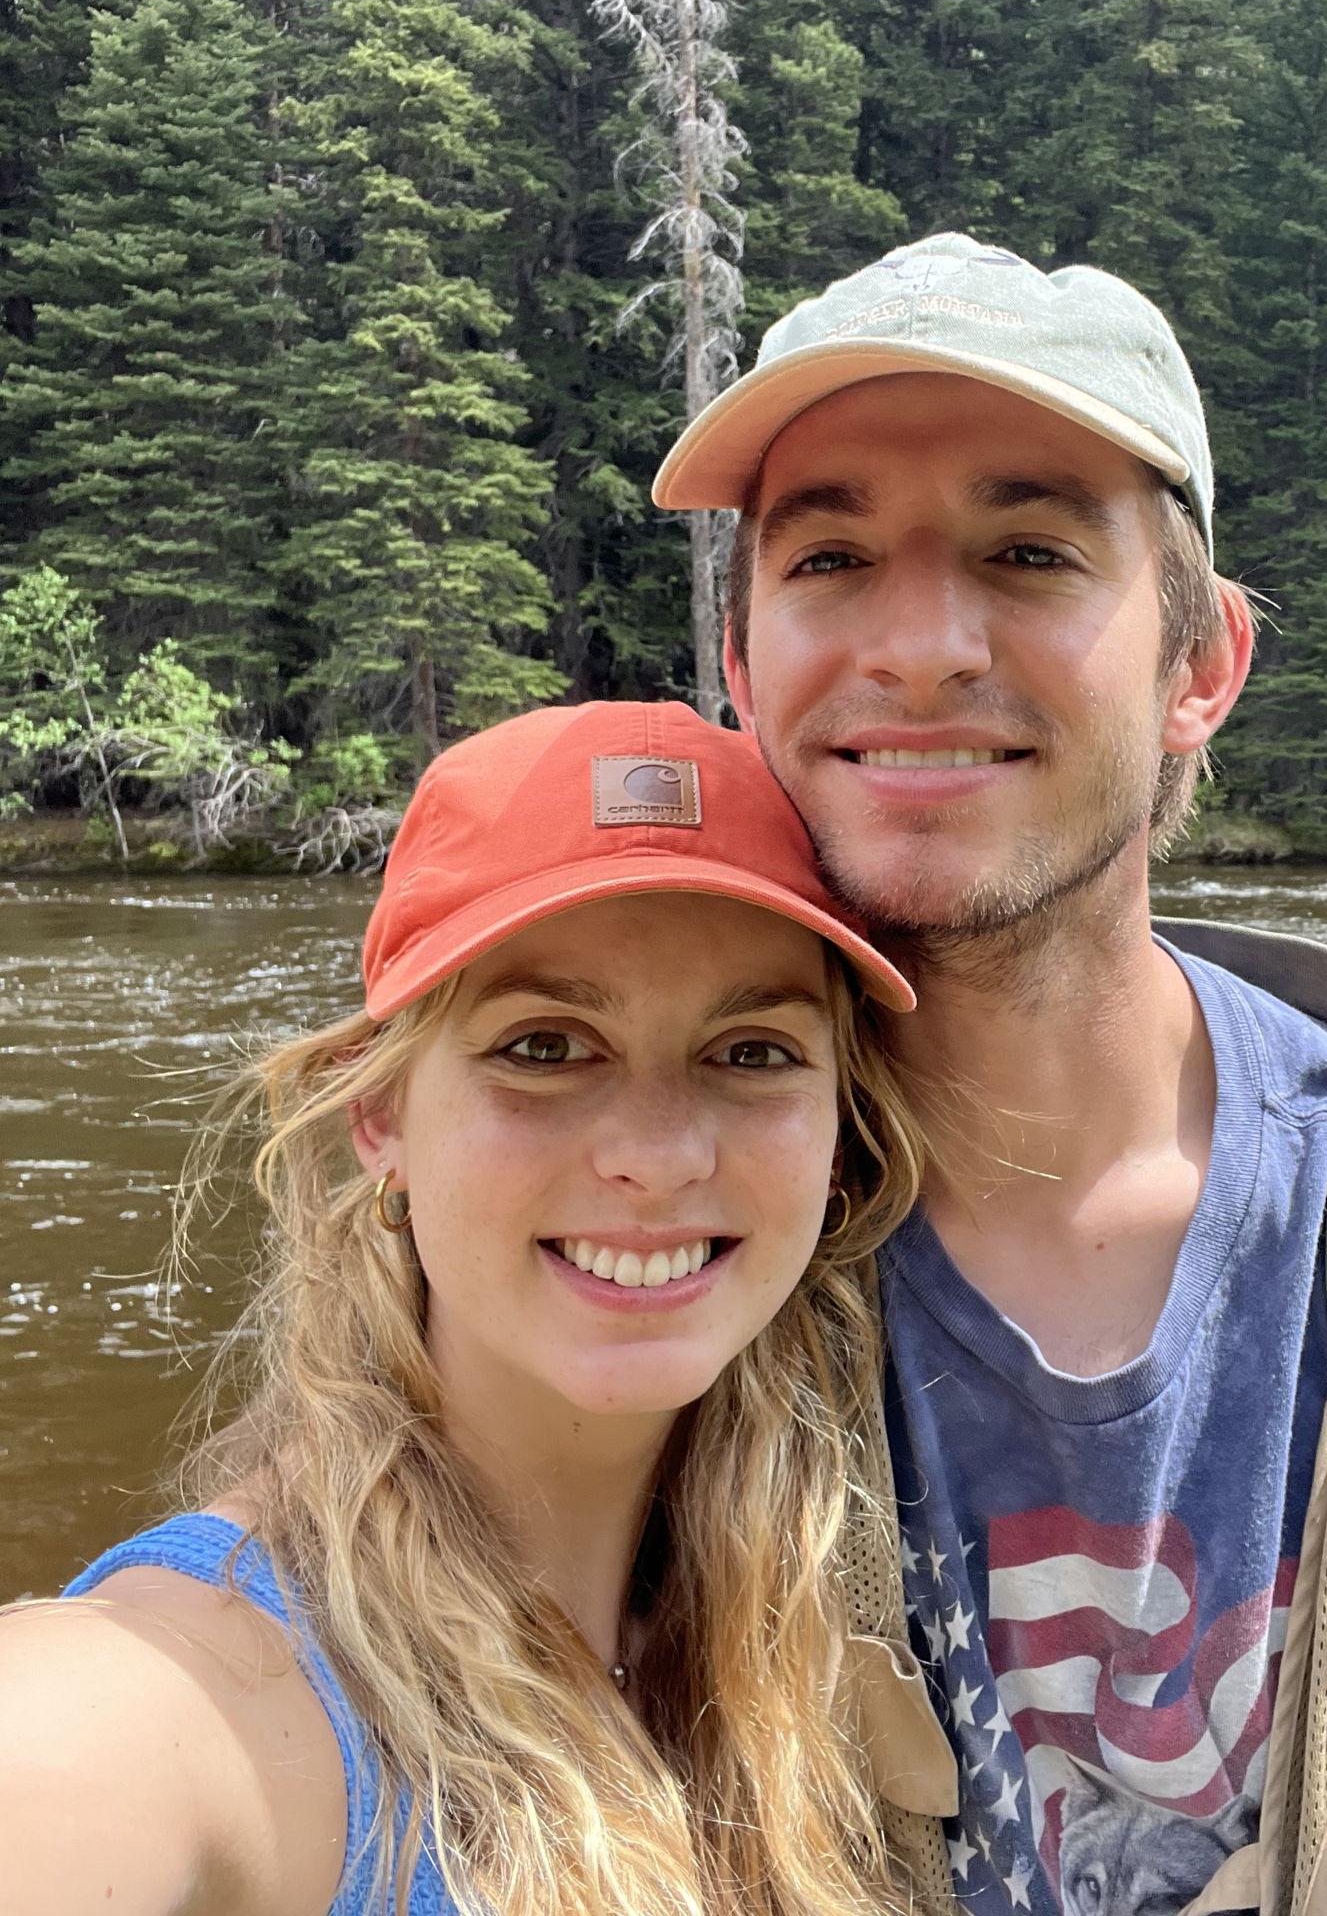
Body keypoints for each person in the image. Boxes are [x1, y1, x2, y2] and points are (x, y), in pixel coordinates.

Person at [651, 232, 1327, 1916]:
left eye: (1027, 550)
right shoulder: (635, 1239)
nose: (922, 641)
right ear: (742, 664)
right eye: (831, 558)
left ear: (1201, 667)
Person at [0, 701, 931, 1916]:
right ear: (379, 1114)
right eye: (545, 1046)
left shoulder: (833, 1600)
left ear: (839, 1129)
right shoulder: (195, 1686)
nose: (656, 1155)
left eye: (751, 1051)